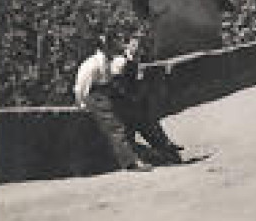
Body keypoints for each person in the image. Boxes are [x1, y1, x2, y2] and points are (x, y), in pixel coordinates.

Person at [74, 33, 150, 173]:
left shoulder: (109, 61)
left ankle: (149, 151)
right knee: (116, 127)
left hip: (105, 93)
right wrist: (82, 104)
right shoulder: (92, 64)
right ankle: (130, 162)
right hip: (94, 95)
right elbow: (81, 87)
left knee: (132, 113)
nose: (113, 48)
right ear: (103, 47)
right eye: (110, 46)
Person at [111, 30, 183, 164]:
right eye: (134, 45)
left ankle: (165, 146)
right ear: (127, 45)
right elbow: (118, 85)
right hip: (124, 105)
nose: (137, 48)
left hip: (135, 104)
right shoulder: (119, 61)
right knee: (138, 126)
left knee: (148, 121)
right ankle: (159, 148)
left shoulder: (135, 60)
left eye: (139, 46)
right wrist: (133, 96)